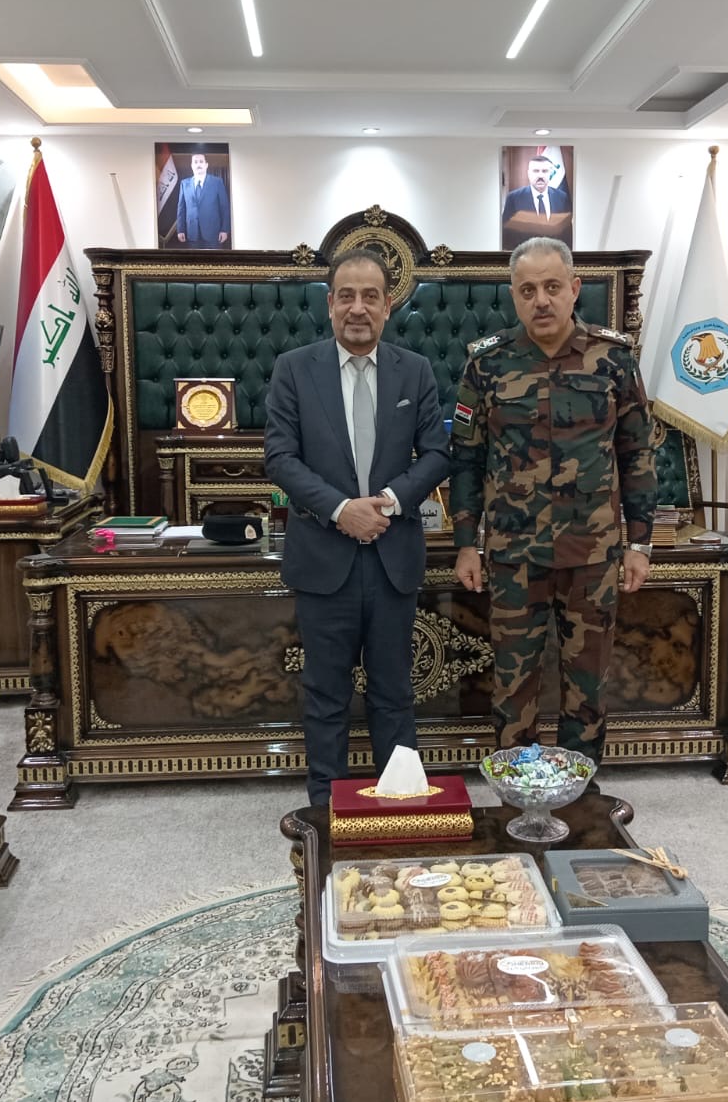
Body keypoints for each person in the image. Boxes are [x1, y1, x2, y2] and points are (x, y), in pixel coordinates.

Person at [450, 236, 656, 763]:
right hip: (513, 555)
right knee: (512, 685)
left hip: (592, 554)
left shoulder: (613, 358)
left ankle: (579, 791)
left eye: (552, 287)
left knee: (587, 685)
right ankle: (520, 789)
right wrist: (466, 543)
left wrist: (640, 544)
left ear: (574, 288)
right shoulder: (487, 364)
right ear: (514, 296)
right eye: (527, 290)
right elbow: (467, 459)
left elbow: (637, 454)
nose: (540, 300)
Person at [264, 249, 452, 804]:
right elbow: (280, 457)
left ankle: (402, 806)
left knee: (394, 693)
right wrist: (342, 508)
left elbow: (437, 454)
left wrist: (389, 502)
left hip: (394, 559)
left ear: (388, 306)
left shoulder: (414, 370)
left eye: (370, 296)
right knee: (325, 694)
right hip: (323, 559)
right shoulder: (294, 369)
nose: (358, 308)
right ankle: (326, 810)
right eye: (346, 296)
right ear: (329, 304)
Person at [500, 155, 572, 247]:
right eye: (536, 171)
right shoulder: (513, 198)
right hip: (525, 254)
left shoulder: (562, 197)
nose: (540, 175)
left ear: (550, 173)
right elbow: (506, 236)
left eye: (544, 171)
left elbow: (567, 235)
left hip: (554, 254)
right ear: (528, 174)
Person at [174, 153, 231, 248]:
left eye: (201, 161)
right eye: (195, 162)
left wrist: (225, 230)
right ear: (192, 165)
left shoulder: (217, 182)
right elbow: (181, 209)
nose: (198, 164)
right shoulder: (184, 184)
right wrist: (180, 230)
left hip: (214, 234)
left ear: (206, 165)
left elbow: (224, 208)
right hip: (192, 233)